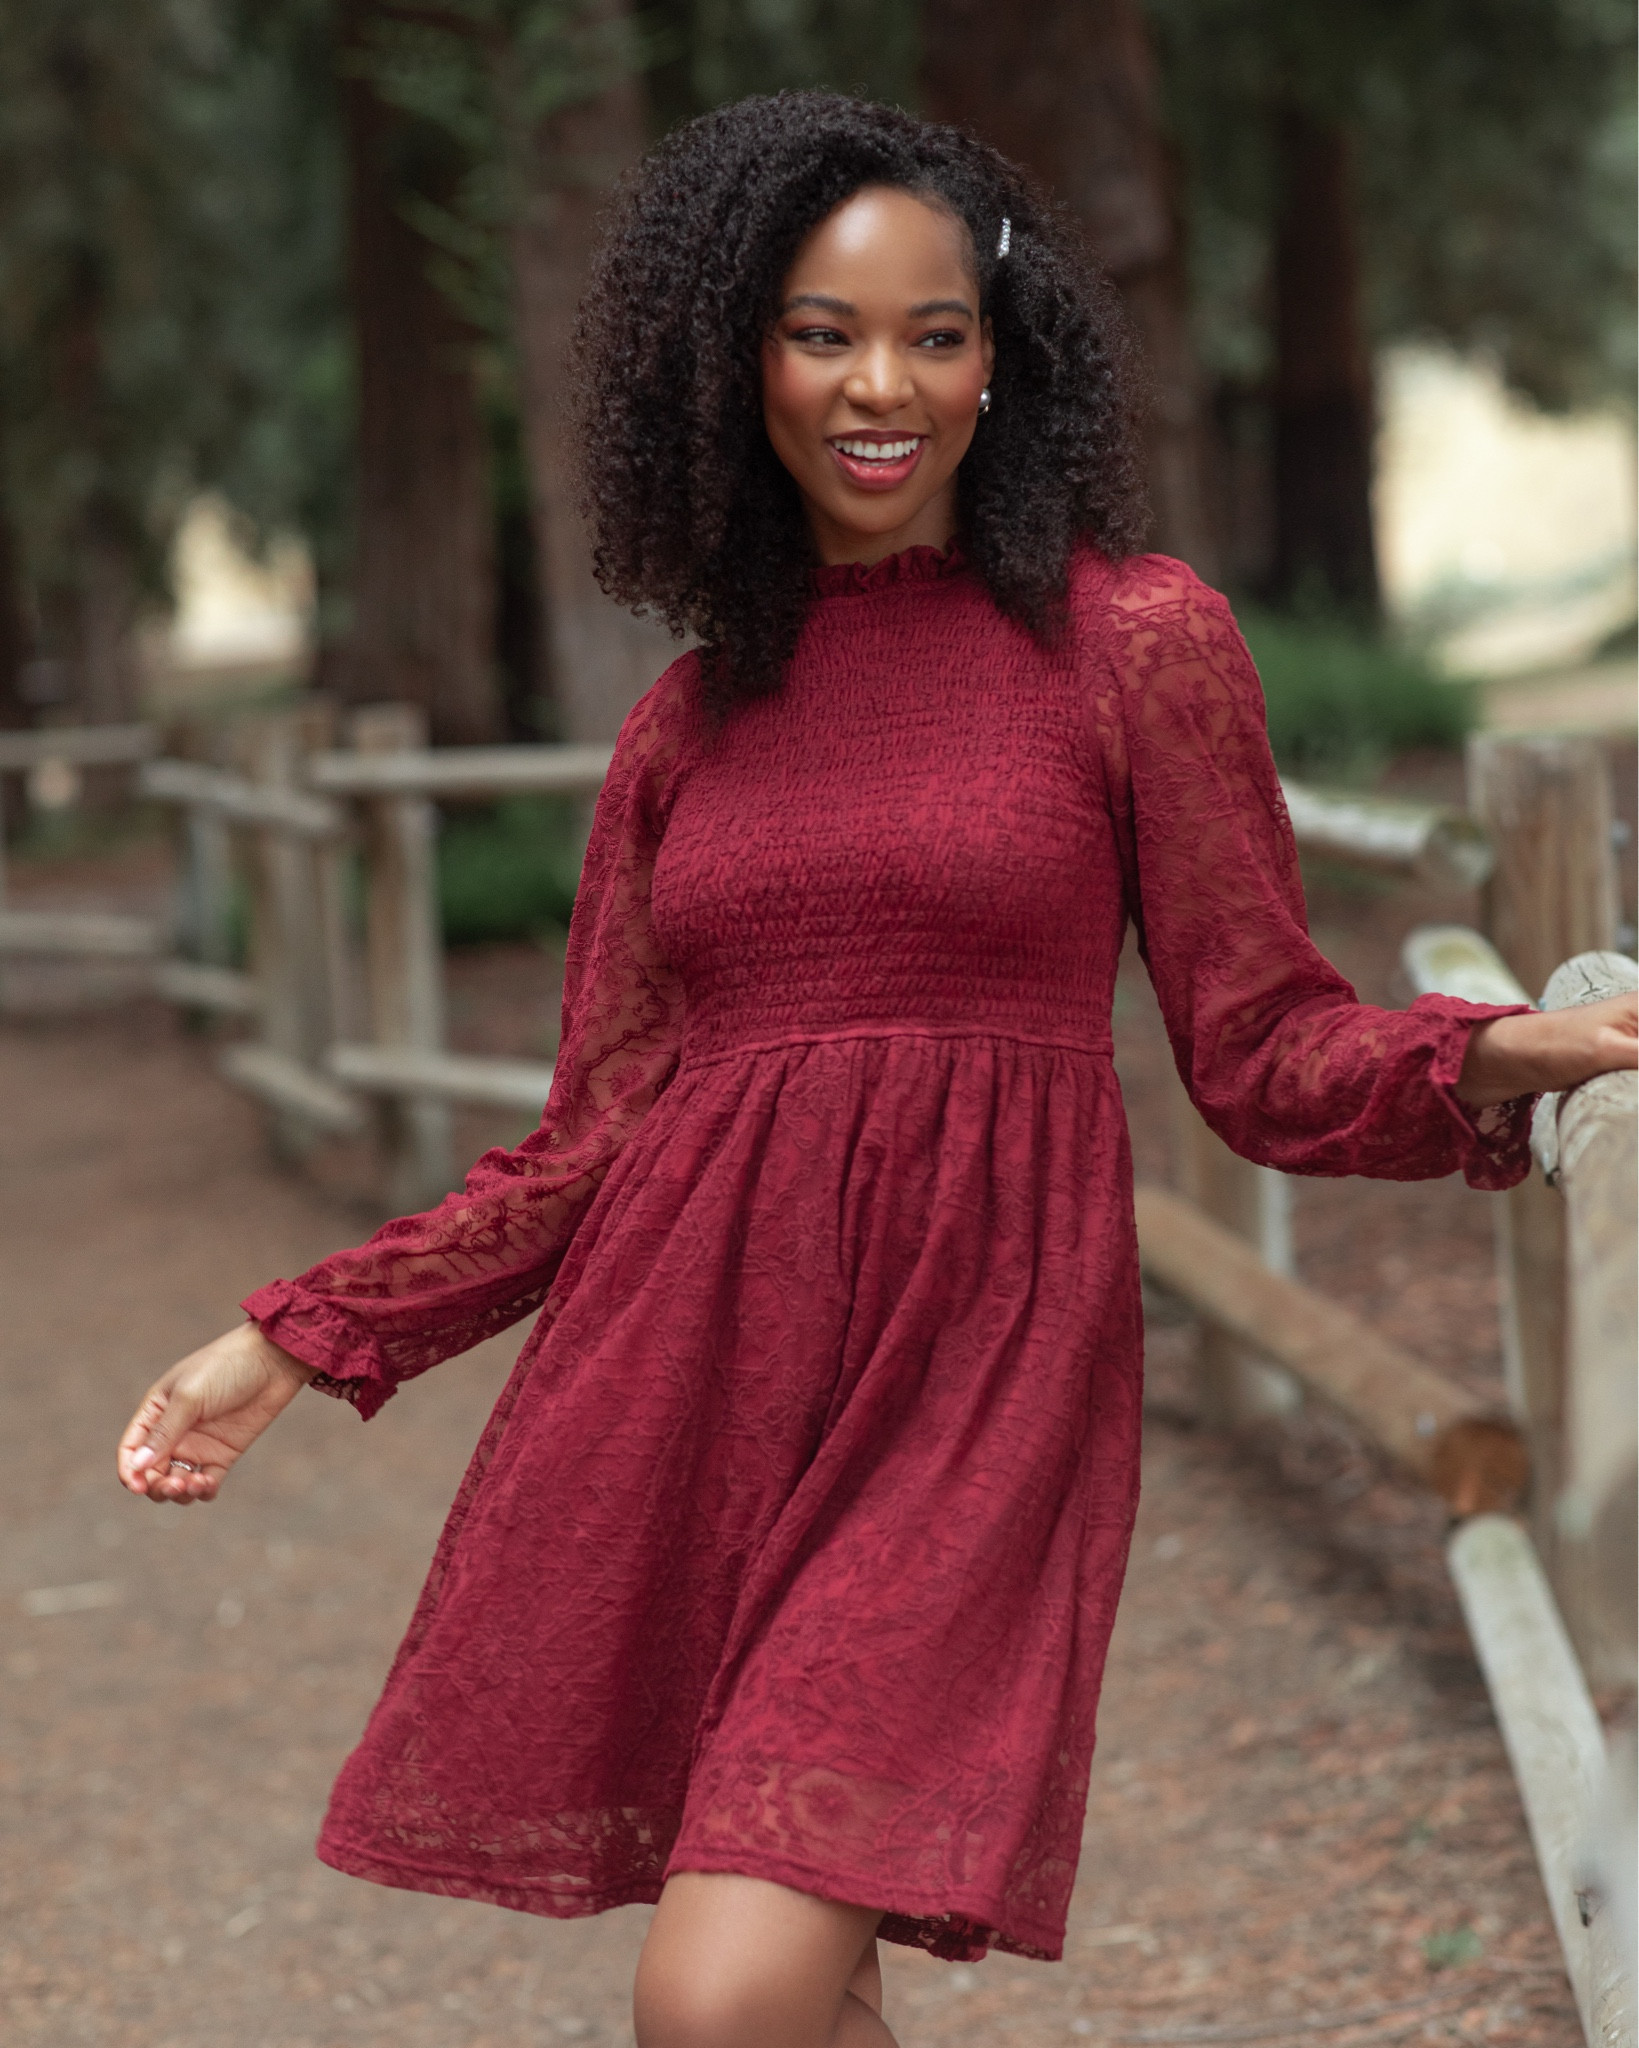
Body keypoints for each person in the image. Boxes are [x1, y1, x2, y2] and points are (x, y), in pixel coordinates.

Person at [116, 94, 1636, 2048]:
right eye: (822, 334)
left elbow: (1261, 1046)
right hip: (699, 1384)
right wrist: (294, 1338)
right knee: (790, 1998)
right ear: (735, 359)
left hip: (974, 1377)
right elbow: (592, 1144)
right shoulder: (688, 726)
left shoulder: (1131, 644)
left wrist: (1518, 1043)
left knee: (717, 1994)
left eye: (934, 332)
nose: (879, 386)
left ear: (1002, 358)